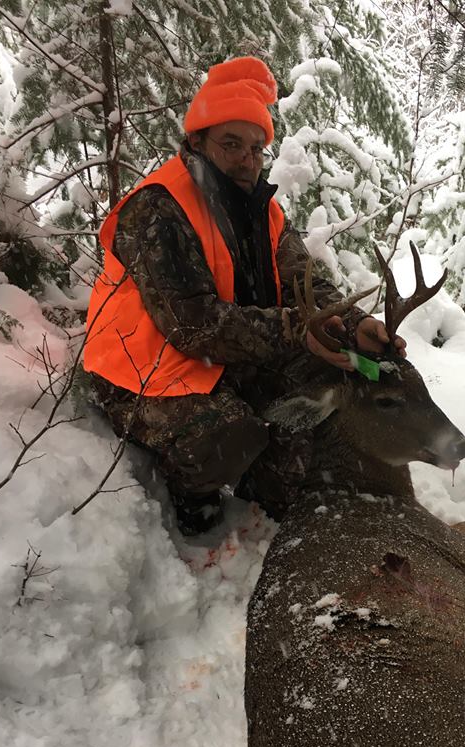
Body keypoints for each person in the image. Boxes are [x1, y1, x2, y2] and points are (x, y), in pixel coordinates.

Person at [84, 56, 402, 535]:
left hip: (223, 355)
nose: (246, 159)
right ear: (197, 141)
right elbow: (193, 324)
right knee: (225, 434)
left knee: (315, 403)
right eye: (230, 144)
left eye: (256, 147)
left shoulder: (261, 209)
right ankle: (195, 511)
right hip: (143, 369)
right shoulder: (158, 208)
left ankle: (267, 494)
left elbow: (305, 282)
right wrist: (296, 332)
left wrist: (353, 324)